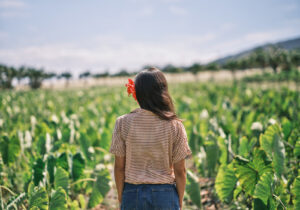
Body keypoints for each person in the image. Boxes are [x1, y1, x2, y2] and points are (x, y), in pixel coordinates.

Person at [109, 67, 192, 210]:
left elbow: (119, 168)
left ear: (137, 93)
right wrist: (179, 199)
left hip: (132, 193)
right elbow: (180, 171)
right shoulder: (175, 125)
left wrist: (122, 196)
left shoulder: (122, 122)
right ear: (163, 92)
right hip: (165, 195)